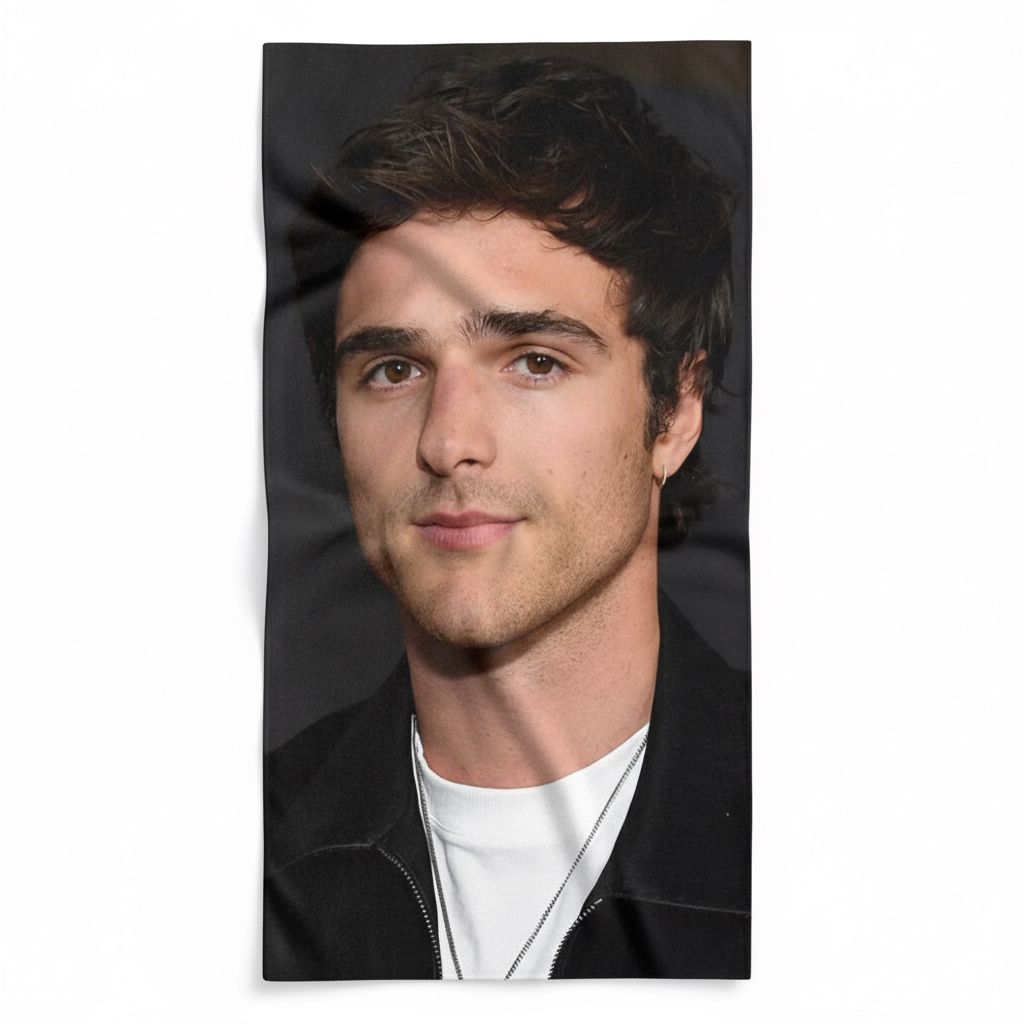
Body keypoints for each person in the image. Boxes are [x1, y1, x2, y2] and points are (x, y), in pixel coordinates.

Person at [264, 55, 750, 981]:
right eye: (393, 370)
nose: (449, 441)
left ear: (675, 413)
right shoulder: (227, 849)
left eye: (534, 361)